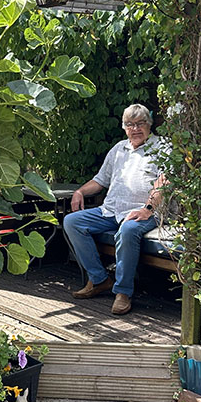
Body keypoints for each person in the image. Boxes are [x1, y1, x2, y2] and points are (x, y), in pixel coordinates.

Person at [63, 104, 168, 315]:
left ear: (149, 124)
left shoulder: (162, 147)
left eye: (140, 124)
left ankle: (122, 292)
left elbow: (163, 183)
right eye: (130, 124)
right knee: (72, 222)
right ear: (124, 127)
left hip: (146, 212)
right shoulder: (119, 149)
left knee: (127, 231)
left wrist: (147, 209)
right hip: (112, 210)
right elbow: (100, 180)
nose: (135, 129)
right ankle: (99, 279)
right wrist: (80, 192)